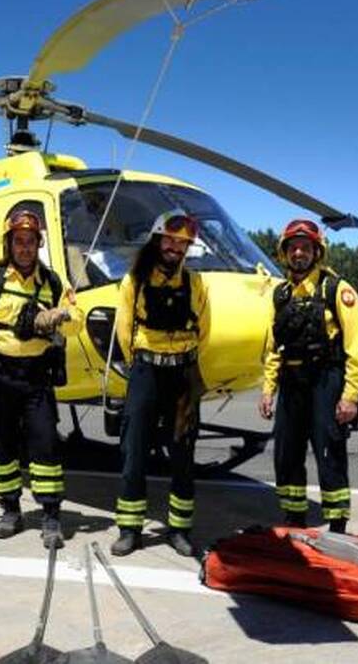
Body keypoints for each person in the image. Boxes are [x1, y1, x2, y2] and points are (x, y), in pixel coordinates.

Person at [0, 209, 81, 549]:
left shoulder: (54, 282)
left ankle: (51, 516)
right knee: (4, 445)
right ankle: (10, 510)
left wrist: (63, 314)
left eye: (31, 242)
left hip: (36, 378)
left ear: (38, 244)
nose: (25, 247)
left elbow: (76, 324)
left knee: (45, 444)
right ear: (9, 244)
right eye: (19, 241)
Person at [258, 219, 358, 534]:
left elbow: (356, 346)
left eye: (305, 248)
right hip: (291, 383)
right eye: (293, 247)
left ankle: (337, 525)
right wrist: (268, 389)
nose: (298, 253)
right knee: (286, 452)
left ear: (316, 252)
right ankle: (294, 519)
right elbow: (274, 347)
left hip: (326, 380)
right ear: (284, 252)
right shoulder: (280, 295)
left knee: (329, 452)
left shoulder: (337, 290)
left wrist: (350, 396)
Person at [110, 209, 210, 557]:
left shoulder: (195, 283)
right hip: (146, 372)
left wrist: (182, 360)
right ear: (157, 239)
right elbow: (124, 331)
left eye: (183, 243)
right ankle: (130, 529)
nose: (176, 247)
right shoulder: (134, 281)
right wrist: (144, 362)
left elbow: (205, 331)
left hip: (182, 375)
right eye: (170, 239)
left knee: (183, 454)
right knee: (134, 450)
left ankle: (179, 530)